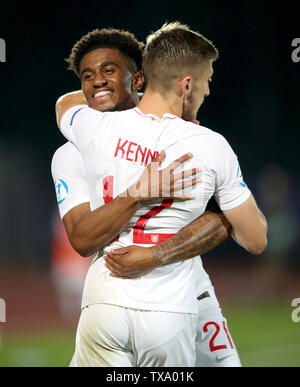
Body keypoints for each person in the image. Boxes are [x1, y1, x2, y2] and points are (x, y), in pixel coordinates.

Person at [54, 25, 267, 366]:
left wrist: (154, 253)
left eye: (109, 71)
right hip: (168, 302)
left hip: (143, 289)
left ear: (139, 79)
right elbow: (253, 237)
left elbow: (64, 104)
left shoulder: (94, 130)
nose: (97, 82)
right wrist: (137, 197)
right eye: (87, 75)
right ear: (186, 84)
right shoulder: (205, 143)